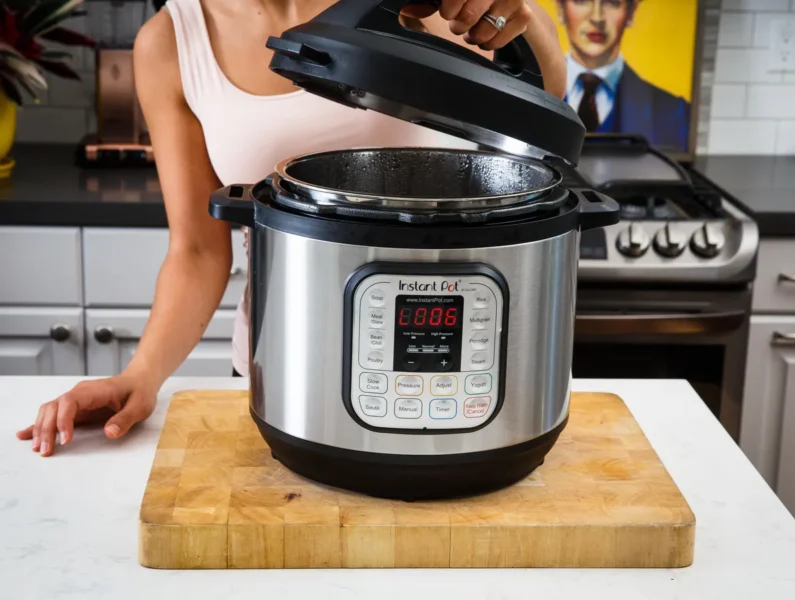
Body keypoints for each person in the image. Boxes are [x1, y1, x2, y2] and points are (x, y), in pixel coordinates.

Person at [16, 0, 566, 457]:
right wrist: (139, 375)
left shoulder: (428, 5)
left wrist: (518, 12)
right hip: (287, 369)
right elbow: (198, 252)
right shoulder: (172, 39)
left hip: (476, 362)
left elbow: (548, 107)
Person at [556, 0, 690, 152]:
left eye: (613, 2)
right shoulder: (535, 97)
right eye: (582, 0)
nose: (597, 18)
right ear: (560, 8)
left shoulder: (675, 115)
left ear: (631, 12)